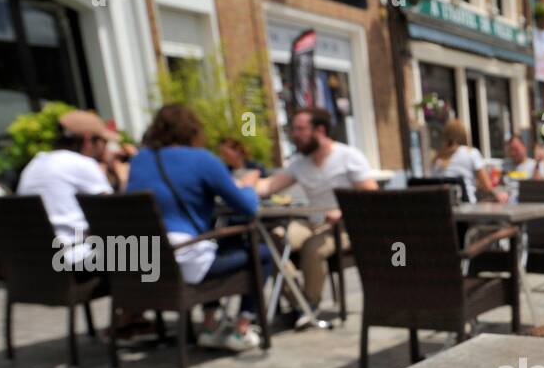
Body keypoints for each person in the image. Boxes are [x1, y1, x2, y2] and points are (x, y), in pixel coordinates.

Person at [126, 104, 270, 353]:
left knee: (220, 244)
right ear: (192, 129)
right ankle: (242, 328)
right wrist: (248, 185)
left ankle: (211, 324)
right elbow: (247, 208)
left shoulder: (140, 160)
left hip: (144, 261)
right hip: (184, 260)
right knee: (263, 253)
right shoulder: (202, 160)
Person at [254, 107, 377, 314]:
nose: (295, 135)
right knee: (271, 242)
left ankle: (310, 304)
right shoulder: (299, 164)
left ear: (320, 130)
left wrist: (342, 211)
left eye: (300, 129)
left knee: (313, 248)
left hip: (344, 227)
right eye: (293, 130)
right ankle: (298, 302)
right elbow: (269, 186)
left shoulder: (349, 157)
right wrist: (237, 183)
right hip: (311, 222)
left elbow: (371, 195)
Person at [17, 109, 122, 264]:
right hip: (76, 257)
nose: (105, 147)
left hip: (35, 260)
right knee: (150, 254)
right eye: (104, 141)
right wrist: (121, 176)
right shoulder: (83, 164)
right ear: (88, 139)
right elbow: (116, 216)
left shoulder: (34, 164)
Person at [430, 118, 504, 204]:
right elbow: (487, 187)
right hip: (467, 209)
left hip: (443, 208)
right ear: (464, 135)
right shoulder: (471, 153)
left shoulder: (437, 159)